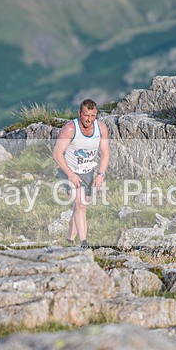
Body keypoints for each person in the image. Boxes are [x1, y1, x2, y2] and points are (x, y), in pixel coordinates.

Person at [52, 99, 109, 248]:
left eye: (92, 116)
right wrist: (70, 174)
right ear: (79, 114)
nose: (89, 119)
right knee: (80, 204)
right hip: (69, 171)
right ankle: (84, 243)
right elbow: (57, 153)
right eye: (86, 115)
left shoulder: (101, 128)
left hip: (88, 171)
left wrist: (101, 174)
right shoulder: (70, 129)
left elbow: (105, 153)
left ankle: (69, 241)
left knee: (80, 207)